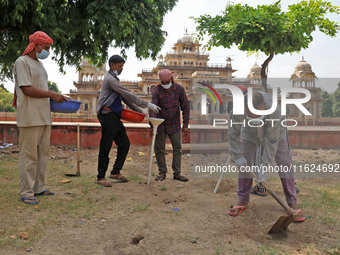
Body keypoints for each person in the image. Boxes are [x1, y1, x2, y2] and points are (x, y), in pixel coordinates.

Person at [227, 89, 305, 222]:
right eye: (252, 115)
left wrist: (263, 169)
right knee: (244, 164)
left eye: (258, 115)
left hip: (276, 133)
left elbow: (272, 142)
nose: (256, 117)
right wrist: (238, 156)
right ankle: (243, 201)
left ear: (264, 105)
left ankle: (291, 202)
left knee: (284, 163)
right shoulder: (238, 110)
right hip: (249, 133)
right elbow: (232, 136)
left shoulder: (275, 110)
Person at [13, 31, 68, 205]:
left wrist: (56, 99)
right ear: (35, 45)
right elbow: (26, 89)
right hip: (29, 117)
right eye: (46, 48)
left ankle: (38, 187)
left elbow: (42, 90)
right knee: (29, 155)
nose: (48, 51)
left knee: (42, 155)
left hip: (44, 116)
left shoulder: (40, 65)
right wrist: (52, 94)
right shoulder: (22, 62)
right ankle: (26, 191)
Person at [96, 55, 160, 187]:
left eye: (122, 67)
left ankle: (115, 171)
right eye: (120, 66)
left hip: (114, 116)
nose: (121, 69)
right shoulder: (110, 80)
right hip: (107, 115)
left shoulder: (114, 80)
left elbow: (125, 99)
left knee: (124, 143)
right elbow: (127, 94)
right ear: (112, 65)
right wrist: (147, 104)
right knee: (106, 145)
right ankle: (101, 176)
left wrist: (140, 111)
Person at [150, 69, 190, 182]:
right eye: (164, 83)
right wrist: (152, 125)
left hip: (175, 122)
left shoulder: (180, 89)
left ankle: (177, 173)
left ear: (172, 79)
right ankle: (162, 172)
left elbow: (185, 107)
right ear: (160, 82)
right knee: (159, 148)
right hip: (160, 123)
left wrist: (185, 125)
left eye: (168, 82)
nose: (166, 85)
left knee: (177, 148)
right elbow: (153, 108)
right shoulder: (157, 91)